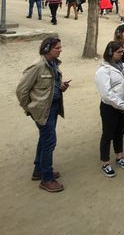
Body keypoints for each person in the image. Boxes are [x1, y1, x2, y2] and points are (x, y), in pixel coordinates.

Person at [16, 37, 70, 192]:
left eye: (60, 47)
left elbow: (49, 86)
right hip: (42, 111)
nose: (60, 50)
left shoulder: (53, 64)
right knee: (49, 142)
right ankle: (46, 179)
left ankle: (39, 170)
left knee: (44, 139)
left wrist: (61, 87)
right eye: (57, 48)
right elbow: (21, 90)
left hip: (53, 108)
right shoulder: (38, 66)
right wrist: (30, 108)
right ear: (47, 49)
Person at [95, 41, 124, 178]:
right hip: (110, 107)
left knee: (119, 131)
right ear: (111, 52)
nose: (121, 54)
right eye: (119, 52)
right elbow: (106, 94)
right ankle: (105, 163)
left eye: (122, 52)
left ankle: (120, 156)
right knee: (107, 134)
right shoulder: (103, 70)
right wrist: (122, 105)